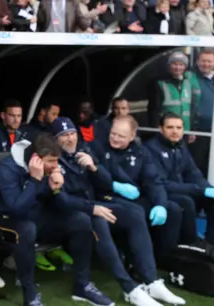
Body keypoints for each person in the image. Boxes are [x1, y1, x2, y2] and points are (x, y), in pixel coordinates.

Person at [51, 117, 181, 306]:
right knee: (100, 221)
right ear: (55, 139)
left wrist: (94, 168)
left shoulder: (83, 150)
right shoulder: (53, 158)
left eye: (72, 134)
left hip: (92, 203)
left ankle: (151, 281)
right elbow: (60, 199)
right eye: (63, 136)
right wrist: (93, 207)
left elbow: (105, 181)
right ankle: (130, 288)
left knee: (135, 215)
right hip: (76, 211)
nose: (70, 139)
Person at [0, 132, 113, 306]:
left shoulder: (49, 168)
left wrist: (55, 189)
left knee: (81, 220)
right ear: (36, 159)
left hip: (36, 215)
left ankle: (82, 286)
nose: (56, 166)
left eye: (57, 160)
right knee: (26, 229)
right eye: (51, 161)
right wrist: (34, 180)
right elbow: (16, 208)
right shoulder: (8, 169)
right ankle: (30, 296)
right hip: (5, 219)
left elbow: (58, 202)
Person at [89, 115, 186, 303]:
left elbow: (153, 181)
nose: (115, 138)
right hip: (107, 197)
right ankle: (145, 275)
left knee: (173, 209)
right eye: (113, 133)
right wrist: (115, 185)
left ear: (133, 136)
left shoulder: (141, 152)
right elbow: (96, 178)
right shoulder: (97, 147)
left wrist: (160, 204)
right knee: (136, 213)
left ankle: (156, 267)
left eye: (121, 136)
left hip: (133, 197)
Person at [145, 112, 214, 246]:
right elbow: (160, 184)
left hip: (180, 188)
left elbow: (192, 172)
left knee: (211, 199)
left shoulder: (180, 145)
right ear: (161, 129)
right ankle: (190, 243)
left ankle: (210, 244)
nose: (175, 131)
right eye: (170, 127)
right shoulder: (150, 148)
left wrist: (207, 188)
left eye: (179, 128)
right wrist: (198, 189)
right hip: (162, 193)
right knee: (186, 201)